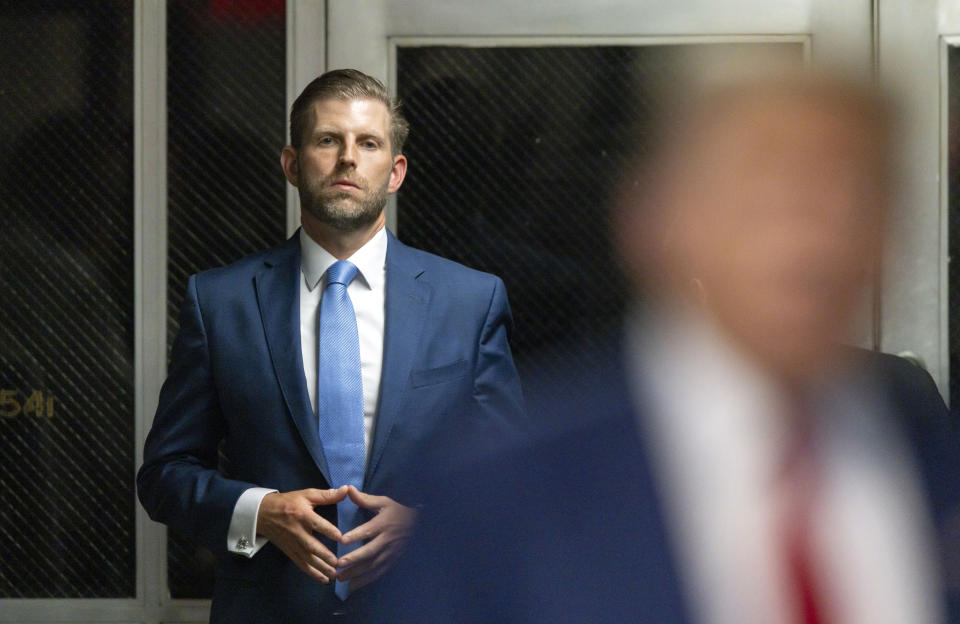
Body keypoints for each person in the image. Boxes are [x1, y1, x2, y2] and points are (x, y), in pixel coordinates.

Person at [375, 72, 960, 623]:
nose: (806, 239)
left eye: (846, 197)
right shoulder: (498, 495)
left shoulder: (928, 459)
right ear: (656, 222)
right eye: (760, 198)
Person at [137, 68, 524, 622]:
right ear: (292, 165)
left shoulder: (470, 301)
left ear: (395, 172)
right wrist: (260, 511)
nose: (348, 158)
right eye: (328, 140)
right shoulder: (220, 301)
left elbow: (512, 476)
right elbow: (165, 475)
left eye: (368, 143)